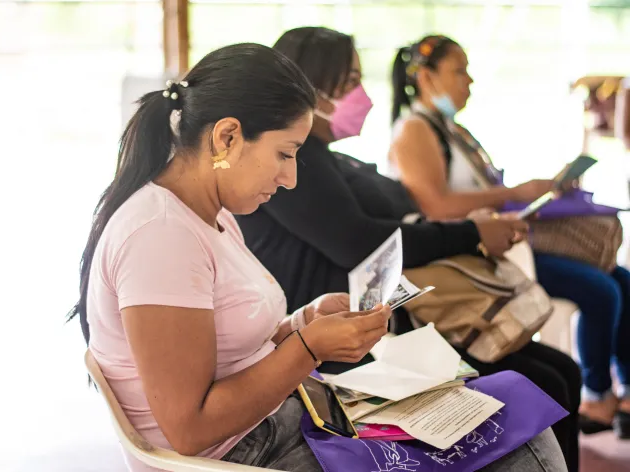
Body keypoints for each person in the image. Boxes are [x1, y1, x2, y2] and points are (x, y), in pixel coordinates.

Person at [67, 42, 565, 472]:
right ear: (227, 137)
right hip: (246, 453)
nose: (291, 179)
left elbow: (224, 345)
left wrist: (303, 322)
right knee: (523, 441)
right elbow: (190, 429)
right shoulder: (161, 236)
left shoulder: (205, 213)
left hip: (273, 423)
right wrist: (308, 348)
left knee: (506, 405)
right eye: (286, 153)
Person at [236, 27, 575, 472]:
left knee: (557, 371)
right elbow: (357, 240)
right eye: (350, 82)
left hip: (364, 324)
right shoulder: (297, 162)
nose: (363, 95)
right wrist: (468, 231)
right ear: (310, 85)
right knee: (541, 382)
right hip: (354, 342)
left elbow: (391, 217)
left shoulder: (328, 157)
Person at [388, 34, 630, 445]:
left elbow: (482, 190)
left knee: (621, 277)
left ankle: (624, 392)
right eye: (459, 70)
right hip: (471, 260)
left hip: (502, 244)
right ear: (426, 77)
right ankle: (597, 396)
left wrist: (532, 193)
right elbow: (437, 207)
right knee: (601, 290)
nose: (470, 81)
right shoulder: (414, 130)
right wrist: (513, 194)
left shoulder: (451, 129)